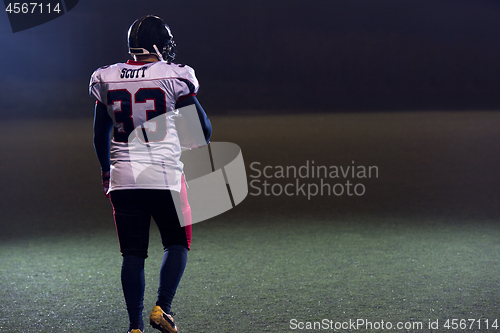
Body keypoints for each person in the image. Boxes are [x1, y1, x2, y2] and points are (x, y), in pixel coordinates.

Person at [90, 15, 212, 333]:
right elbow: (202, 131)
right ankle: (163, 309)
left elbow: (98, 135)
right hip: (164, 176)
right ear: (158, 45)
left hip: (124, 177)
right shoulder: (174, 75)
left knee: (132, 254)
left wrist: (107, 172)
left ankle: (134, 326)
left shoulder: (107, 76)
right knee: (176, 244)